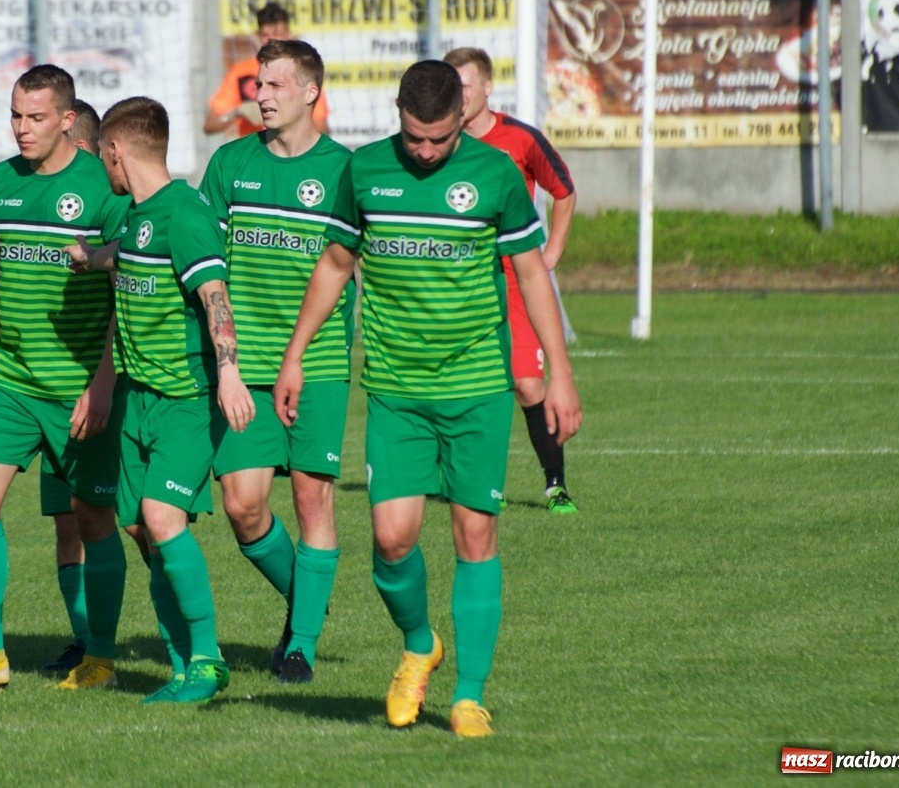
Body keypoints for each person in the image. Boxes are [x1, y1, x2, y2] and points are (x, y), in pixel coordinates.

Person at [275, 60, 582, 738]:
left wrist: (558, 372)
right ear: (398, 115)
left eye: (439, 139)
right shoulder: (364, 171)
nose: (424, 151)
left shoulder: (495, 174)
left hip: (477, 386)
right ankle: (420, 645)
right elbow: (335, 263)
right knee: (391, 540)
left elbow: (531, 273)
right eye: (414, 137)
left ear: (461, 120)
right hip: (395, 389)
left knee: (475, 533)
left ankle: (469, 695)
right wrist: (295, 354)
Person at [0, 67, 132, 694]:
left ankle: (100, 656)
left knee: (93, 518)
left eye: (36, 117)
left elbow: (127, 293)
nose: (22, 128)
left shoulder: (103, 186)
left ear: (67, 120)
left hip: (80, 388)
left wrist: (102, 382)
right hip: (12, 383)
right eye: (15, 115)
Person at [65, 97, 257, 704]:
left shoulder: (186, 214)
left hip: (185, 399)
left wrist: (230, 374)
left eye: (102, 157)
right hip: (138, 399)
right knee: (139, 527)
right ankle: (181, 667)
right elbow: (126, 254)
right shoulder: (135, 215)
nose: (103, 168)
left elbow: (215, 297)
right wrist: (90, 258)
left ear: (116, 150)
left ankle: (207, 660)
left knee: (162, 518)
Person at [197, 39, 352, 685]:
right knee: (242, 504)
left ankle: (300, 646)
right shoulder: (230, 163)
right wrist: (223, 360)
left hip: (319, 362)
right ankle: (306, 598)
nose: (259, 96)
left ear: (311, 92)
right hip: (243, 363)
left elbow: (351, 268)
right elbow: (204, 265)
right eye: (257, 85)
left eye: (274, 86)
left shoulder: (345, 171)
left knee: (314, 499)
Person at [447, 47, 580, 513]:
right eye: (451, 88)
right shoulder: (439, 143)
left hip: (514, 279)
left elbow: (564, 191)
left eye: (465, 86)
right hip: (461, 282)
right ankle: (474, 482)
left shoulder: (520, 139)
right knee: (468, 385)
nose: (458, 96)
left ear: (488, 88)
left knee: (527, 385)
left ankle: (555, 484)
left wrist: (551, 254)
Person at [31, 95, 107, 676]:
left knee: (140, 523)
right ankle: (85, 639)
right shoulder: (29, 192)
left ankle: (182, 639)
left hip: (104, 392)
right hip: (42, 389)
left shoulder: (116, 203)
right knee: (68, 521)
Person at [204, 3, 330, 138]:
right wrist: (236, 113)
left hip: (292, 149)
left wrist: (290, 118)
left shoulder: (304, 72)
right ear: (258, 37)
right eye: (265, 35)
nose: (272, 41)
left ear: (289, 34)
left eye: (277, 35)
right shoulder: (241, 73)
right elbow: (210, 125)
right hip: (255, 150)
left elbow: (322, 129)